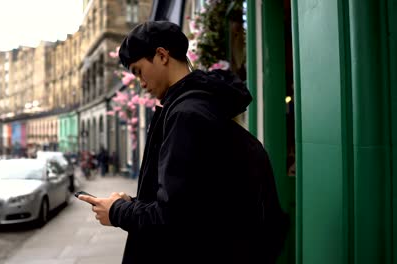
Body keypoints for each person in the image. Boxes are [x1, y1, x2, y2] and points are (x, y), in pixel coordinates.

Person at [77, 21, 289, 264]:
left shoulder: (185, 115)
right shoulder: (202, 107)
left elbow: (172, 218)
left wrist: (117, 212)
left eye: (138, 71)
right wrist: (133, 204)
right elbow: (197, 203)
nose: (140, 82)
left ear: (161, 55)